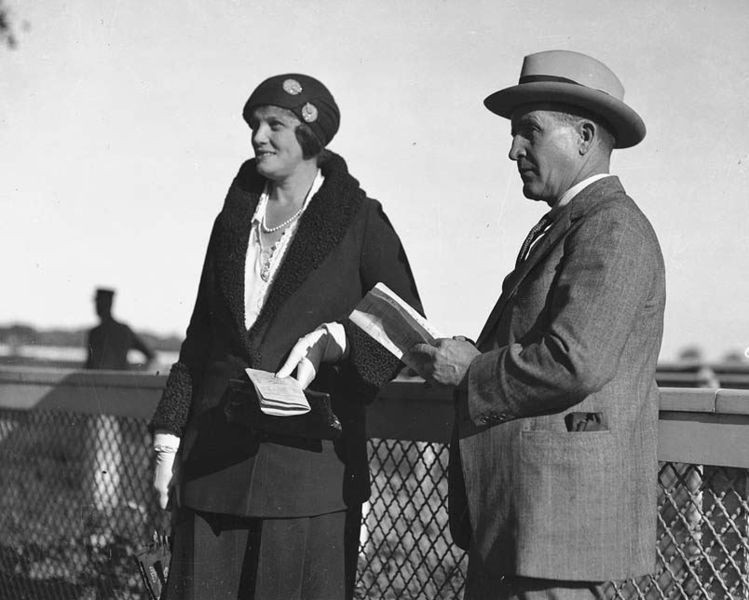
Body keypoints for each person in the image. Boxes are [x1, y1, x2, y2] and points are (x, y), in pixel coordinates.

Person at [148, 73, 422, 600]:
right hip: (212, 472)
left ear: (312, 137)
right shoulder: (231, 222)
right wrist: (167, 441)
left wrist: (337, 340)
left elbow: (406, 325)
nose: (258, 136)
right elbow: (200, 338)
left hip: (308, 480)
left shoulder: (360, 221)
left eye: (275, 124)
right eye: (255, 124)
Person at [405, 50, 666, 599]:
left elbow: (576, 361)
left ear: (584, 136)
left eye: (530, 131)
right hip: (526, 524)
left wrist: (471, 371)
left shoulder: (612, 229)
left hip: (553, 531)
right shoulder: (578, 225)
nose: (513, 149)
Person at [85, 287, 155, 370]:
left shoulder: (95, 333)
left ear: (108, 304)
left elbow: (88, 367)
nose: (96, 307)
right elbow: (150, 356)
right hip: (122, 381)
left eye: (99, 303)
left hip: (102, 381)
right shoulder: (124, 330)